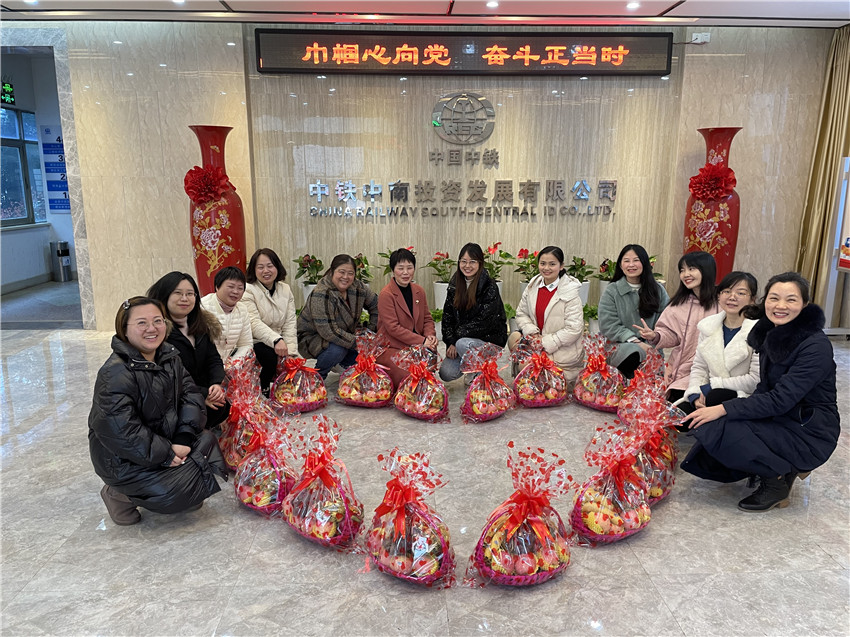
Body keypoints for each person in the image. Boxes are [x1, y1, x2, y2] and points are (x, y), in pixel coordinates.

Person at [680, 272, 840, 512]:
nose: (780, 306)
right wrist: (727, 410)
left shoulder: (815, 346)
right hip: (781, 417)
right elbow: (764, 388)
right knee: (715, 427)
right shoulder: (769, 333)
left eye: (791, 300)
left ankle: (776, 482)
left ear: (805, 304)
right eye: (774, 298)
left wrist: (724, 408)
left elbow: (780, 399)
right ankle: (780, 465)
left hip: (809, 429)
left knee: (719, 426)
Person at [89, 297, 226, 526]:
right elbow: (123, 431)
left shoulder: (169, 357)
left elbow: (191, 396)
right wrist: (166, 454)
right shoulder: (114, 373)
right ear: (124, 329)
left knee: (206, 442)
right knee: (173, 490)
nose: (152, 329)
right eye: (141, 323)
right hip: (122, 458)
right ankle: (118, 494)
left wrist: (183, 438)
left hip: (163, 439)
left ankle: (179, 488)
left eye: (157, 321)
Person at [147, 272, 229, 429]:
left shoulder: (201, 325)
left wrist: (215, 385)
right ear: (165, 295)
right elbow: (165, 377)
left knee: (221, 406)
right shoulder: (158, 332)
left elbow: (213, 358)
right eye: (178, 293)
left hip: (201, 390)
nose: (184, 299)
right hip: (173, 399)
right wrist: (202, 395)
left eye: (190, 294)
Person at [635, 250, 718, 402]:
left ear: (707, 270)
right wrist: (655, 336)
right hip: (684, 369)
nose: (686, 274)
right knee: (677, 406)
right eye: (682, 270)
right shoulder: (678, 304)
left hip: (715, 371)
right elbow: (671, 334)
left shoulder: (722, 302)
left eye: (691, 269)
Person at [677, 271, 760, 415]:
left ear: (752, 299)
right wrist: (695, 393)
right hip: (708, 395)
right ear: (718, 296)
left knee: (716, 398)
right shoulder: (708, 327)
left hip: (742, 398)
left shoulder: (759, 331)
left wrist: (713, 386)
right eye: (726, 291)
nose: (732, 297)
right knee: (678, 416)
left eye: (740, 293)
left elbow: (755, 379)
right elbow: (700, 367)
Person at [507, 246, 584, 383]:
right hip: (537, 342)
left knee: (527, 365)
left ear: (561, 266)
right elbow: (521, 313)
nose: (546, 268)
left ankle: (539, 382)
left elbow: (574, 329)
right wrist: (532, 332)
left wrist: (544, 342)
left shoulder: (570, 292)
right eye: (543, 263)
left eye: (552, 264)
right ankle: (528, 381)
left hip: (559, 349)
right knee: (514, 338)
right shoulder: (533, 286)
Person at [297, 254, 379, 379]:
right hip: (314, 337)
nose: (345, 277)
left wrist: (371, 332)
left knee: (372, 354)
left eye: (350, 273)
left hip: (345, 334)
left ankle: (342, 364)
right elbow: (329, 332)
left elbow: (377, 305)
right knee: (338, 350)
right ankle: (317, 377)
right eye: (341, 272)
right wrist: (360, 343)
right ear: (332, 271)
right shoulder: (321, 292)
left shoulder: (358, 287)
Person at [598, 244, 669, 379]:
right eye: (626, 261)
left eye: (636, 260)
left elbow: (667, 322)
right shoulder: (612, 290)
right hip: (621, 347)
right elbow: (608, 324)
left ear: (645, 263)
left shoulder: (658, 290)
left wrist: (654, 336)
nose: (631, 265)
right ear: (620, 265)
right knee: (633, 352)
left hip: (652, 347)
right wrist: (636, 341)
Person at [439, 242, 507, 382]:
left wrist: (457, 339)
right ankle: (473, 367)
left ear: (480, 263)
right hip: (462, 339)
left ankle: (481, 374)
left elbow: (484, 322)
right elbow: (447, 317)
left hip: (488, 340)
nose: (467, 266)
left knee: (462, 344)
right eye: (463, 261)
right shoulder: (455, 284)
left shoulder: (489, 286)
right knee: (446, 373)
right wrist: (450, 341)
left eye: (472, 262)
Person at [375, 248, 437, 388]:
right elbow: (393, 328)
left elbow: (427, 318)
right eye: (400, 268)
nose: (405, 272)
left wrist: (430, 336)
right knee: (411, 376)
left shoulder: (419, 291)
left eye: (409, 268)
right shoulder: (386, 294)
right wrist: (422, 341)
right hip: (392, 347)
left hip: (416, 346)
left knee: (427, 373)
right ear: (393, 270)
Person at [241, 248, 299, 394]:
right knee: (268, 355)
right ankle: (263, 390)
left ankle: (283, 392)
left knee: (297, 367)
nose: (266, 271)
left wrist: (291, 352)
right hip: (255, 340)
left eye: (270, 266)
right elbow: (253, 322)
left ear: (277, 267)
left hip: (280, 341)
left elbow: (290, 323)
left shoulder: (285, 289)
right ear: (253, 270)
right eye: (260, 267)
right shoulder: (247, 290)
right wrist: (276, 340)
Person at [200, 265, 253, 363]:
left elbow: (245, 344)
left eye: (240, 288)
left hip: (230, 364)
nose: (235, 291)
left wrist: (234, 364)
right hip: (207, 364)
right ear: (217, 286)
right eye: (231, 286)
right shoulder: (202, 307)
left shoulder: (242, 309)